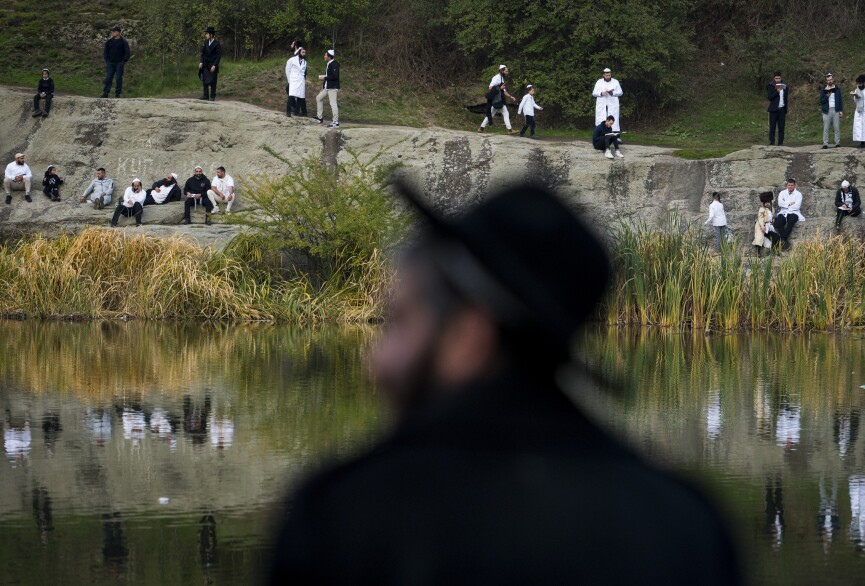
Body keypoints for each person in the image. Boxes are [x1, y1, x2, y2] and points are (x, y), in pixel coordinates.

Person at [268, 183, 741, 585]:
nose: (377, 364)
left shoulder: (345, 516)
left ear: (468, 337)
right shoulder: (683, 526)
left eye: (399, 323)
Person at [478, 65, 517, 134]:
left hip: (500, 99)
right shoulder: (496, 78)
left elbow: (504, 91)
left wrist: (511, 97)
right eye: (506, 71)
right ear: (502, 71)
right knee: (505, 113)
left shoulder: (502, 78)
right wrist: (499, 88)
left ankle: (481, 128)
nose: (507, 72)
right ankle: (510, 130)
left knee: (492, 114)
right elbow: (490, 88)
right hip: (496, 99)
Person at [314, 49, 340, 128]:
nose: (324, 56)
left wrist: (324, 77)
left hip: (332, 87)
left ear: (329, 56)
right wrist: (323, 87)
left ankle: (335, 122)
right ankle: (319, 117)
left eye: (325, 55)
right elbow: (328, 76)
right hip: (327, 87)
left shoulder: (334, 64)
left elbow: (335, 76)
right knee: (319, 98)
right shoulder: (329, 63)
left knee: (333, 104)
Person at [102, 26, 130, 98]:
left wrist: (124, 60)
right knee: (108, 78)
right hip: (110, 63)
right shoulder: (109, 42)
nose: (112, 33)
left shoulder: (124, 42)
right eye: (112, 31)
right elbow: (105, 51)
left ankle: (117, 94)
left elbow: (127, 52)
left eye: (114, 31)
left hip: (119, 63)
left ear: (118, 32)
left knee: (118, 78)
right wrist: (106, 60)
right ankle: (105, 93)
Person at [776, 178, 804, 249]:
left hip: (794, 212)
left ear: (794, 186)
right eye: (789, 185)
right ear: (787, 185)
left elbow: (797, 206)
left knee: (791, 220)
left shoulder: (798, 194)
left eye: (792, 185)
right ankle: (784, 240)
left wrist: (785, 205)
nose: (790, 186)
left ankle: (783, 239)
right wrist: (789, 204)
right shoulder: (782, 193)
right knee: (779, 220)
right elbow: (779, 203)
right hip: (783, 212)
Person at [592, 68, 624, 132]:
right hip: (602, 104)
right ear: (603, 75)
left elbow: (621, 92)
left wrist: (613, 93)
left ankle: (615, 136)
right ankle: (601, 134)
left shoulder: (615, 82)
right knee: (601, 118)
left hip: (612, 104)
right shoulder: (599, 82)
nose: (608, 77)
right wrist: (601, 93)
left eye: (609, 75)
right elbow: (594, 93)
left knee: (613, 119)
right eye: (606, 75)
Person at [820, 72, 843, 149]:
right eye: (828, 80)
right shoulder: (823, 89)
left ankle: (837, 143)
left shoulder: (837, 89)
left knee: (836, 127)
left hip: (836, 109)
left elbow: (840, 100)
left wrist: (841, 110)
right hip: (827, 110)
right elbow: (821, 101)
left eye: (831, 79)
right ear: (826, 81)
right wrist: (827, 96)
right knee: (826, 128)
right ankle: (825, 143)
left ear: (833, 80)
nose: (830, 81)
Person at [199, 27, 222, 101]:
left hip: (213, 65)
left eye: (207, 34)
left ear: (211, 35)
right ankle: (205, 95)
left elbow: (218, 56)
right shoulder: (205, 42)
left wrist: (214, 65)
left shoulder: (217, 44)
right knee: (205, 79)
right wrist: (201, 62)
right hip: (206, 63)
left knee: (213, 80)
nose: (206, 35)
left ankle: (212, 96)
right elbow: (203, 53)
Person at [753, 191, 778, 256]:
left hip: (769, 226)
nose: (767, 204)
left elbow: (771, 215)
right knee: (759, 237)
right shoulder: (762, 209)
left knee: (776, 236)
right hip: (762, 225)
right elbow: (760, 218)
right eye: (765, 203)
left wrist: (773, 219)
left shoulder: (772, 209)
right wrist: (762, 226)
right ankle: (758, 252)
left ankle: (773, 250)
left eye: (768, 202)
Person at [767, 71, 789, 146]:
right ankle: (771, 142)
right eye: (776, 78)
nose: (778, 80)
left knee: (781, 127)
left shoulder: (785, 86)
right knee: (772, 127)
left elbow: (786, 98)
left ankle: (780, 143)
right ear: (774, 78)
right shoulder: (771, 85)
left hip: (782, 109)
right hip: (773, 109)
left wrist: (786, 108)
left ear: (781, 78)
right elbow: (770, 97)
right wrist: (777, 91)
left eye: (779, 78)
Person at [286, 43, 308, 117]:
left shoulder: (305, 62)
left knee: (301, 96)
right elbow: (287, 70)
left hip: (301, 80)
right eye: (303, 52)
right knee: (291, 95)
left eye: (305, 52)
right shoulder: (292, 60)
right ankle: (288, 112)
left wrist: (304, 79)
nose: (304, 54)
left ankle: (296, 112)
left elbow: (304, 72)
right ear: (299, 52)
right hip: (293, 80)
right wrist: (289, 80)